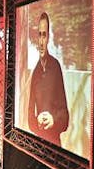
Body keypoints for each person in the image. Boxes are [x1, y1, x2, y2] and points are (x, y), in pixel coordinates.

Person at [27, 12, 69, 146]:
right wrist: (37, 122)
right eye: (39, 35)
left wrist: (53, 120)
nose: (41, 41)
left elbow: (64, 116)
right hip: (38, 143)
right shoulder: (35, 71)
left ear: (49, 38)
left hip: (54, 145)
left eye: (44, 35)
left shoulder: (55, 67)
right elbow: (29, 115)